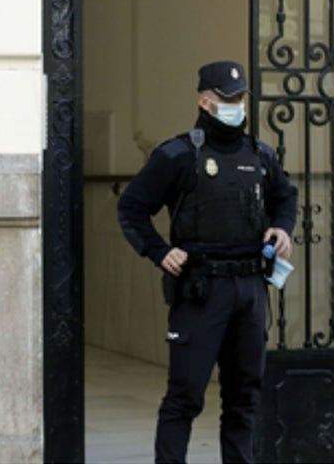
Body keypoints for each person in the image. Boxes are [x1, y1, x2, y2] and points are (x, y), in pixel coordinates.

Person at [118, 60, 298, 464]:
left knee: (244, 397)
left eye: (240, 98)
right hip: (201, 290)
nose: (236, 105)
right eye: (227, 98)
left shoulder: (260, 155)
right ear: (205, 101)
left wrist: (283, 228)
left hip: (250, 289)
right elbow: (131, 208)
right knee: (185, 397)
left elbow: (286, 196)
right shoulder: (178, 155)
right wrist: (159, 250)